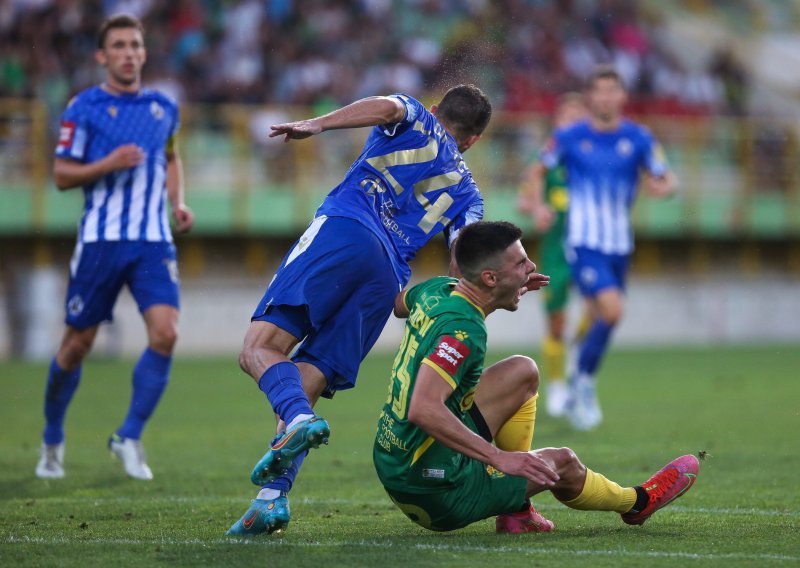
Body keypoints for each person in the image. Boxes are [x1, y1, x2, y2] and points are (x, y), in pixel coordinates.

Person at [227, 85, 491, 536]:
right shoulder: (469, 193)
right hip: (387, 277)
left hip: (347, 229)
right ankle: (272, 499)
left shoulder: (417, 117)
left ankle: (298, 420)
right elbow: (465, 257)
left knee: (259, 348)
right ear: (472, 141)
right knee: (308, 373)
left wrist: (320, 123)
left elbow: (387, 107)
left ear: (435, 110)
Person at [373, 220, 699, 533]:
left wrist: (505, 287)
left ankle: (517, 512)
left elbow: (400, 304)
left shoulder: (435, 291)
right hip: (436, 491)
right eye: (520, 264)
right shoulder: (464, 332)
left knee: (522, 371)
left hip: (395, 459)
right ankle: (637, 503)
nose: (531, 268)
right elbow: (423, 408)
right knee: (563, 463)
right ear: (488, 278)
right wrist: (499, 458)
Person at [35, 14, 193, 481]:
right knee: (76, 345)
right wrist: (107, 162)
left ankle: (128, 435)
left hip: (152, 242)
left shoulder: (165, 108)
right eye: (119, 45)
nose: (128, 53)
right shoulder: (82, 107)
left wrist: (178, 203)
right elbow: (62, 175)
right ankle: (51, 439)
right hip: (101, 241)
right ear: (103, 56)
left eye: (135, 45)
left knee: (165, 333)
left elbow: (171, 159)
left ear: (144, 53)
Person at [525, 65, 676, 430]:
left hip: (620, 244)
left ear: (622, 96)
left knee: (601, 316)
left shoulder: (638, 138)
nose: (606, 97)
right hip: (583, 242)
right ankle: (584, 382)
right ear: (591, 97)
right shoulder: (569, 137)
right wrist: (537, 204)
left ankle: (579, 377)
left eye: (613, 90)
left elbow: (665, 175)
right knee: (612, 311)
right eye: (600, 91)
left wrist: (664, 187)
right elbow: (536, 172)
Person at [517, 93, 589, 418]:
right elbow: (524, 201)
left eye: (578, 119)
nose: (572, 125)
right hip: (556, 246)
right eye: (567, 118)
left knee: (600, 306)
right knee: (557, 321)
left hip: (590, 244)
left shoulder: (592, 158)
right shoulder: (545, 160)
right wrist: (538, 208)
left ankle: (577, 358)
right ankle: (558, 384)